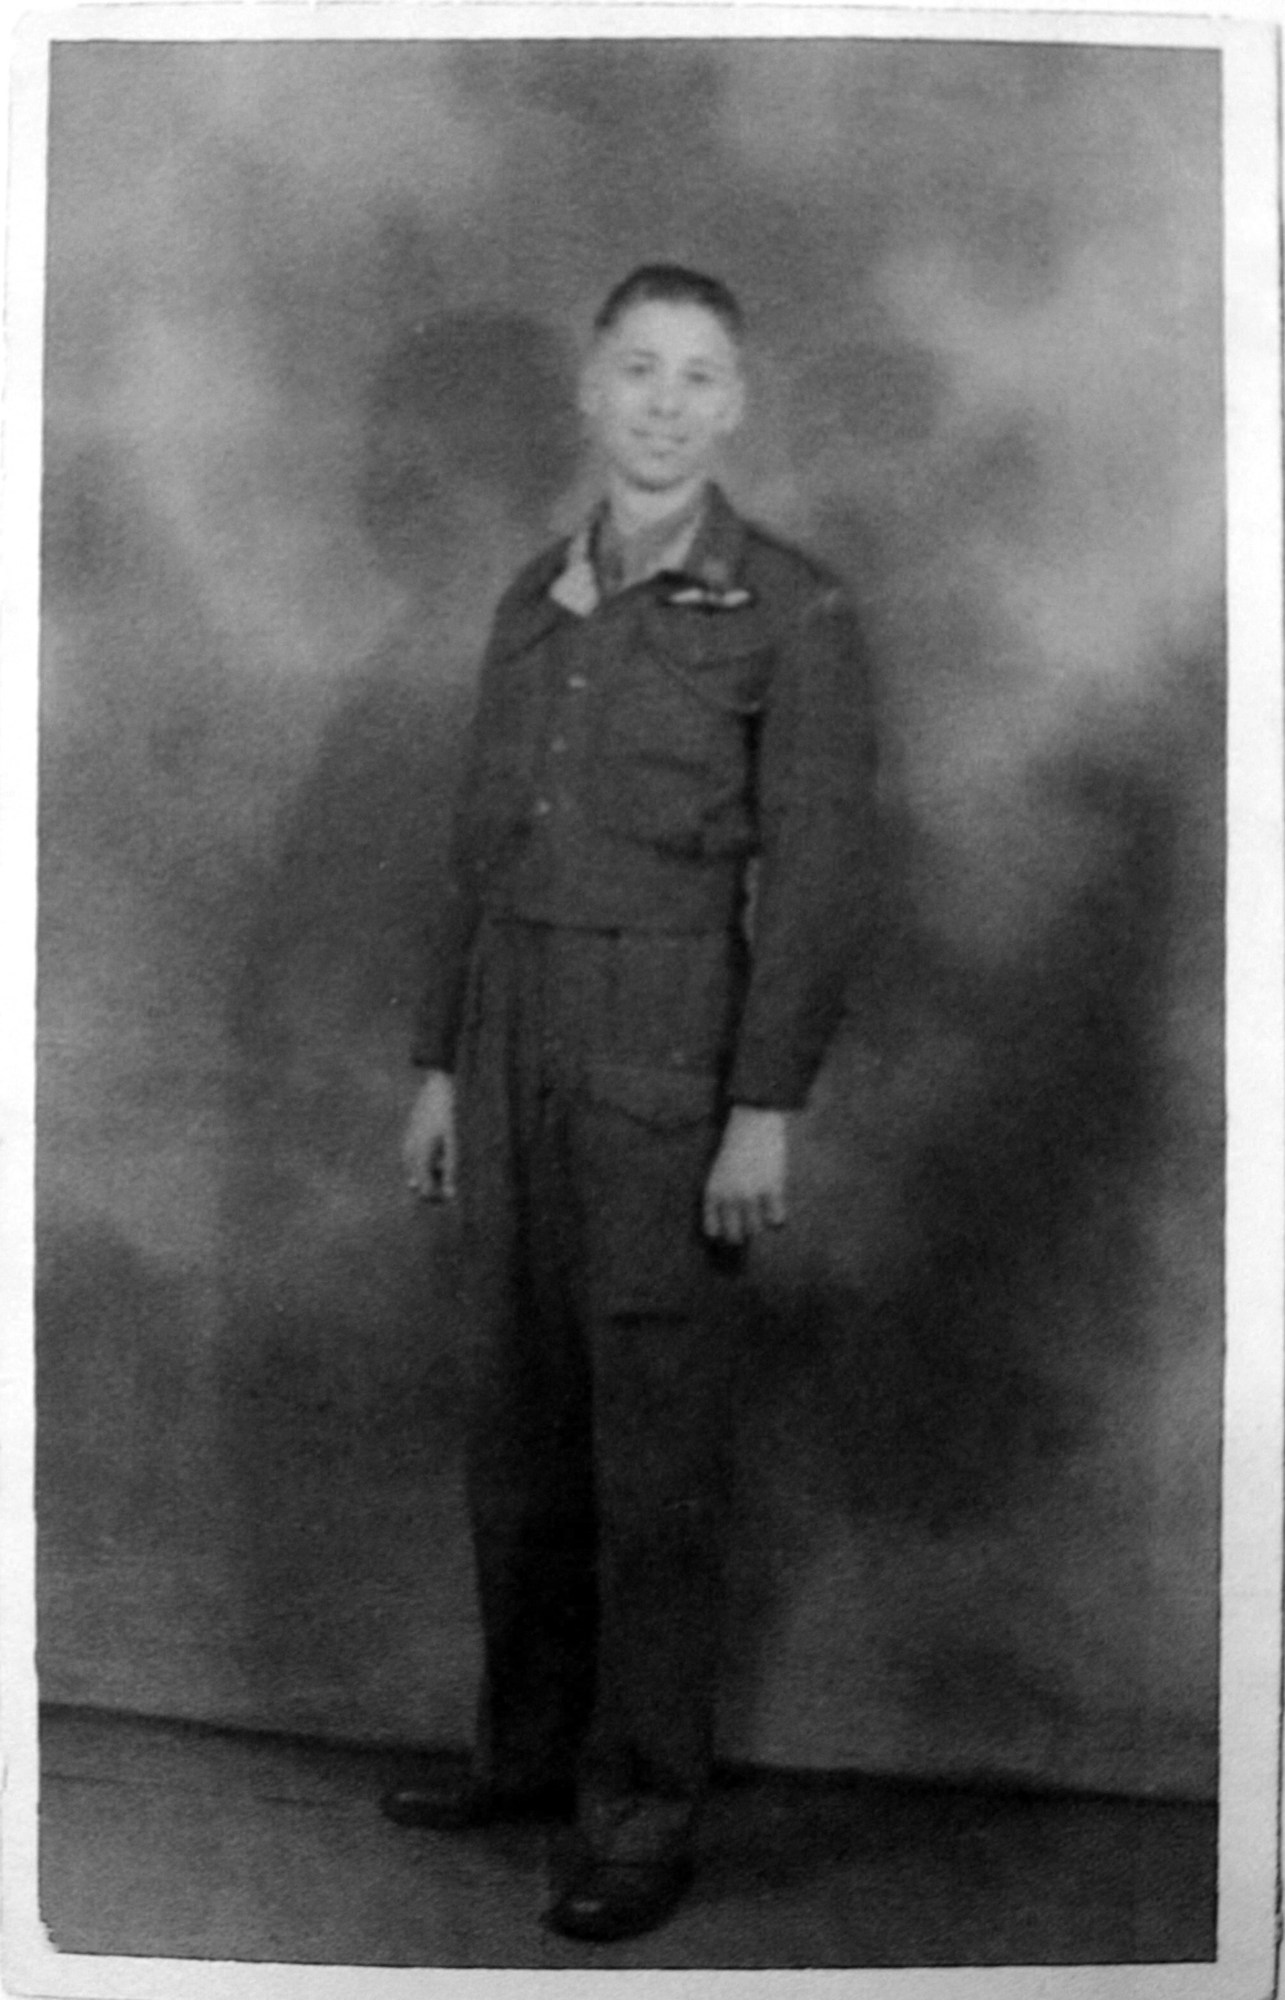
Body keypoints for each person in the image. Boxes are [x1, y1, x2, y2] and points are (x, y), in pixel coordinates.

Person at [390, 264, 879, 1943]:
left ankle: (641, 1812)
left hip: (669, 1048)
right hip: (509, 1034)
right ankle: (527, 1755)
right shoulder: (532, 599)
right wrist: (440, 1064)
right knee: (517, 1429)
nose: (665, 403)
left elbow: (817, 878)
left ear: (734, 406)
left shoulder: (792, 611)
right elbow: (475, 848)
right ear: (590, 393)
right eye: (638, 371)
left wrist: (764, 1104)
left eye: (698, 377)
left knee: (650, 1455)